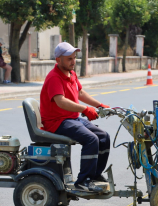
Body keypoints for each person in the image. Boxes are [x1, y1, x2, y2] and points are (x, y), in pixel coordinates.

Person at [40, 42, 111, 193]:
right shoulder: (54, 77)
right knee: (91, 139)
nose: (73, 62)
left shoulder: (71, 73)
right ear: (58, 60)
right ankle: (83, 181)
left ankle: (95, 175)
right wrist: (85, 109)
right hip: (57, 122)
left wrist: (99, 105)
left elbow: (80, 93)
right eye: (69, 59)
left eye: (74, 58)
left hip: (71, 119)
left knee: (104, 137)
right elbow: (61, 101)